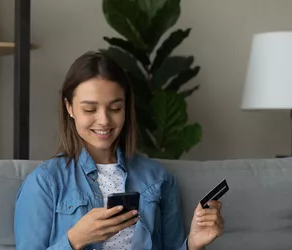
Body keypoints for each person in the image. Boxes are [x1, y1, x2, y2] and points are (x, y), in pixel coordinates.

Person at [14, 51, 224, 250]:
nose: (104, 120)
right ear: (69, 108)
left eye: (115, 108)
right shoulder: (45, 182)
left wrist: (194, 244)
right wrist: (75, 239)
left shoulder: (159, 178)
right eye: (90, 109)